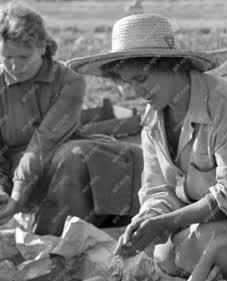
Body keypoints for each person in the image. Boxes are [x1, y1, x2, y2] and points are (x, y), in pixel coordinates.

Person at [69, 14, 227, 281]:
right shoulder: (153, 119)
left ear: (172, 65)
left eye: (142, 79)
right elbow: (159, 188)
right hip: (197, 226)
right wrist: (146, 220)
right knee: (164, 256)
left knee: (213, 252)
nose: (137, 91)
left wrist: (170, 222)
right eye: (128, 83)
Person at [0, 2, 142, 236]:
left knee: (77, 157)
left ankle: (54, 241)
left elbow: (45, 140)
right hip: (12, 169)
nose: (15, 66)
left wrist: (18, 191)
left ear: (43, 47)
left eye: (24, 57)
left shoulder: (69, 79)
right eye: (7, 57)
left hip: (54, 155)